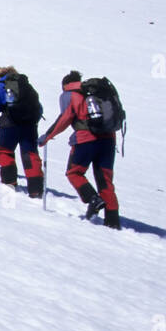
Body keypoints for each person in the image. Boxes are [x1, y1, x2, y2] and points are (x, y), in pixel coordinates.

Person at [40, 72, 121, 228]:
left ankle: (93, 199)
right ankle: (113, 222)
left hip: (86, 140)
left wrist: (47, 136)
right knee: (105, 181)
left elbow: (65, 118)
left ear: (65, 85)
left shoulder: (69, 94)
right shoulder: (97, 92)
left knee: (74, 172)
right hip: (109, 140)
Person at [0, 66, 44, 198]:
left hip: (9, 125)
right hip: (30, 126)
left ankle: (9, 182)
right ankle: (36, 188)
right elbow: (39, 108)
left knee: (4, 151)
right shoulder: (25, 85)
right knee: (30, 154)